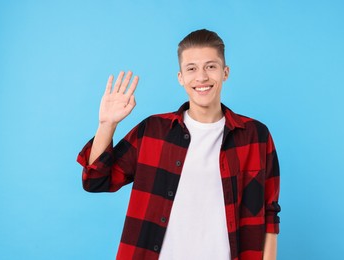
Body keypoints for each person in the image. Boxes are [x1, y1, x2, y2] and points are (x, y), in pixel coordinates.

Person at [77, 29, 281, 260]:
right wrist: (107, 125)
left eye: (211, 66)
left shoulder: (256, 136)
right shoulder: (153, 131)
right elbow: (95, 181)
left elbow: (269, 212)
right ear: (180, 77)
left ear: (225, 72)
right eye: (191, 68)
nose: (201, 77)